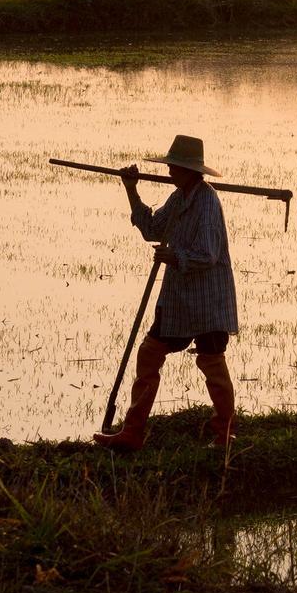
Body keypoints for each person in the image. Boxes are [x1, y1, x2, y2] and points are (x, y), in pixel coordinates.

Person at [93, 134, 238, 452]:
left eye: (174, 167)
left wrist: (175, 257)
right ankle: (132, 432)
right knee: (150, 353)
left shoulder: (207, 203)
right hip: (180, 301)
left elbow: (209, 254)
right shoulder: (179, 198)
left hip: (208, 301)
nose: (170, 172)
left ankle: (224, 435)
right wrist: (131, 189)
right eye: (170, 166)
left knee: (212, 361)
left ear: (189, 170)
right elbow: (153, 230)